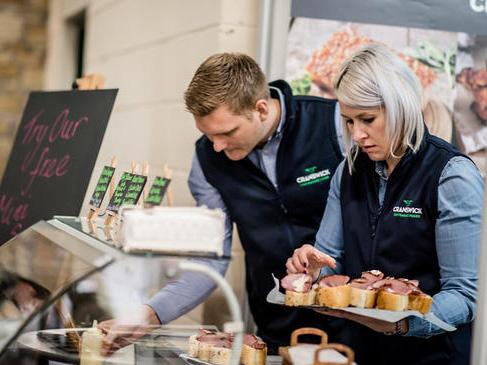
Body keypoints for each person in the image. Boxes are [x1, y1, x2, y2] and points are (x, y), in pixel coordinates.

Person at [99, 52, 344, 355]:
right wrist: (147, 316)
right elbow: (210, 258)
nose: (217, 146)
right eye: (208, 135)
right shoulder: (206, 161)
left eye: (227, 132)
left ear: (261, 109)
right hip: (276, 328)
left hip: (353, 323)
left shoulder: (333, 125)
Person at [286, 43, 483, 365]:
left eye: (367, 119)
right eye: (349, 121)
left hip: (431, 356)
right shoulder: (348, 171)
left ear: (401, 105)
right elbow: (329, 260)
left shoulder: (450, 175)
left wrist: (402, 323)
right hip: (357, 351)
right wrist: (313, 270)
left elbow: (464, 295)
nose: (358, 134)